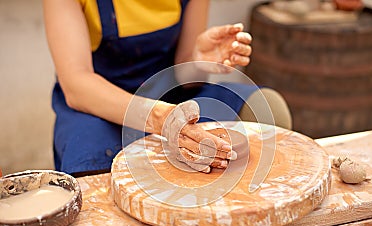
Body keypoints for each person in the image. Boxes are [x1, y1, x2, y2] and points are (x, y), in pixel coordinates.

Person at [43, 0, 292, 176]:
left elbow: (185, 75)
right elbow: (76, 85)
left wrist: (198, 59)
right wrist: (162, 119)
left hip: (172, 97)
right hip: (100, 106)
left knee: (266, 108)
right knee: (92, 166)